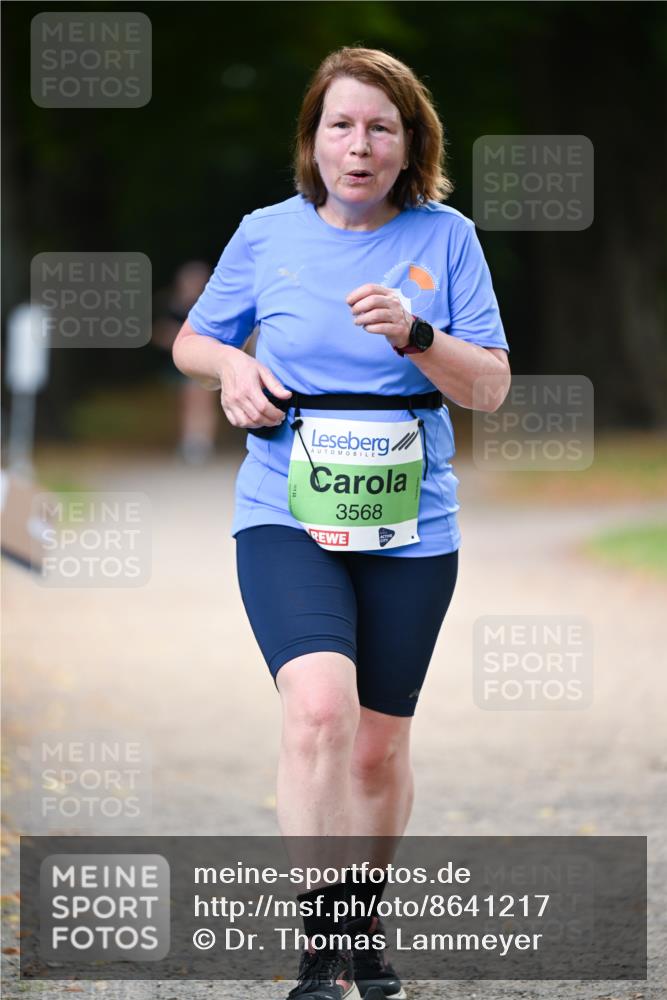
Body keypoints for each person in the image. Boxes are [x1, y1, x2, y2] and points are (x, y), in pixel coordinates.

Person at [173, 46, 510, 1000]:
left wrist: (416, 333)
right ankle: (323, 951)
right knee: (317, 710)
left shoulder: (446, 240)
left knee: (376, 744)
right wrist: (232, 370)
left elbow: (488, 386)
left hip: (410, 523)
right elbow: (198, 336)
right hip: (283, 504)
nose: (357, 146)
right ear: (313, 140)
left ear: (410, 146)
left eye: (379, 128)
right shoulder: (265, 233)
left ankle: (362, 926)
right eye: (339, 126)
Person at [152, 260, 219, 464]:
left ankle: (201, 443)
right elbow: (158, 333)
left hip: (204, 361)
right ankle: (190, 440)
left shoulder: (208, 306)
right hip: (178, 364)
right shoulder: (170, 304)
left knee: (200, 401)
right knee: (187, 403)